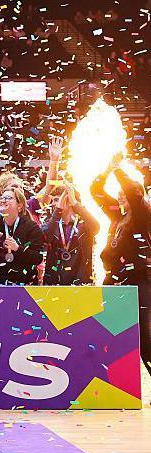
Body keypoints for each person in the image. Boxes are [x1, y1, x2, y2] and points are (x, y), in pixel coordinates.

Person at [91, 152, 150, 377]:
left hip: (139, 282)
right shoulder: (116, 214)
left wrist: (118, 169)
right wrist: (107, 168)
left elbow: (135, 193)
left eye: (125, 193)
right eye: (119, 194)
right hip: (114, 281)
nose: (121, 196)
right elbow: (95, 191)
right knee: (109, 332)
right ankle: (113, 380)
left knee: (145, 337)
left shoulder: (142, 214)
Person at [0, 187, 45, 285]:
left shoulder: (31, 227)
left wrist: (17, 249)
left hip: (25, 286)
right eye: (2, 198)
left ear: (19, 206)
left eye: (8, 198)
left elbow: (38, 258)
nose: (3, 200)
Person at [41, 183, 99, 285]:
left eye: (58, 200)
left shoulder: (84, 225)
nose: (54, 203)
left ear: (70, 201)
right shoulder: (51, 223)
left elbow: (96, 227)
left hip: (81, 282)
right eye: (54, 200)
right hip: (54, 283)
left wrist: (75, 204)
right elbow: (45, 237)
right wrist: (58, 210)